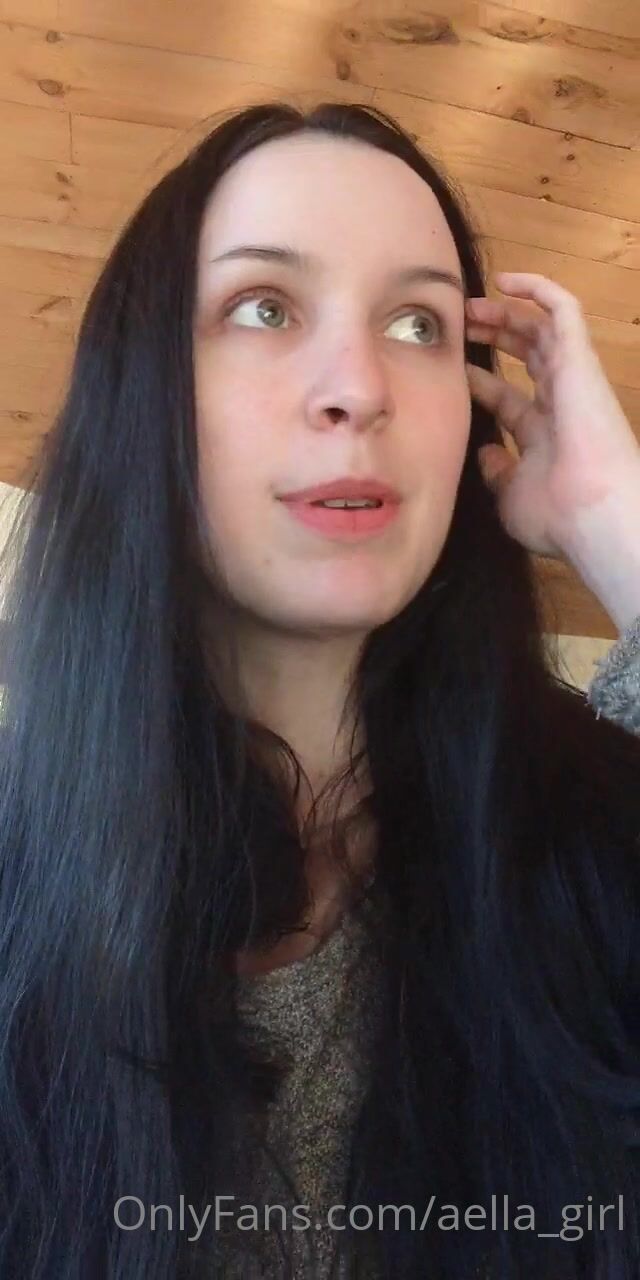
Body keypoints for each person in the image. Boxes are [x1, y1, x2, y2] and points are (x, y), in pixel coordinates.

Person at [0, 97, 639, 1280]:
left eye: (418, 323)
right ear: (142, 387)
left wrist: (617, 525)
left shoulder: (595, 829)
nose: (360, 387)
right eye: (264, 306)